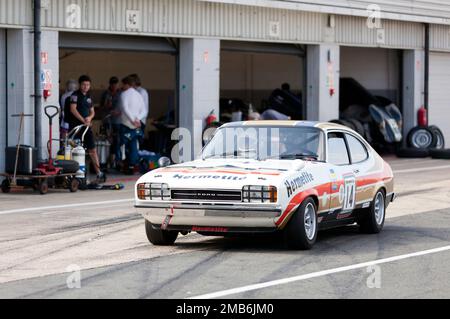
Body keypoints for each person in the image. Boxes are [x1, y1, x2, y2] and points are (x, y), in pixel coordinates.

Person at [67, 75, 106, 182]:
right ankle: (73, 173)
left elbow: (92, 111)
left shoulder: (88, 97)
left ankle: (99, 173)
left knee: (92, 149)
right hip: (76, 127)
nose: (85, 87)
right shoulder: (75, 95)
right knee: (74, 150)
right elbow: (73, 109)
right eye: (84, 84)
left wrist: (89, 118)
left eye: (88, 85)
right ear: (80, 85)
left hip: (86, 128)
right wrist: (83, 120)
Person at [119, 76, 147, 174]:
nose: (121, 86)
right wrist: (137, 119)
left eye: (123, 84)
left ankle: (124, 165)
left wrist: (132, 120)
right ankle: (132, 166)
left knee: (123, 145)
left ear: (127, 84)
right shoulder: (138, 95)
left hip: (126, 124)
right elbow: (144, 110)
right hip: (136, 125)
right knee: (134, 146)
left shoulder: (124, 94)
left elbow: (125, 108)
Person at [100, 76, 121, 168]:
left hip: (117, 121)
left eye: (116, 84)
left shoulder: (120, 93)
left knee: (117, 141)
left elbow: (123, 107)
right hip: (107, 120)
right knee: (107, 141)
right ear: (110, 84)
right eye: (112, 84)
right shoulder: (105, 94)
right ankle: (105, 162)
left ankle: (114, 161)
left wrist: (118, 112)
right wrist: (107, 106)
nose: (114, 86)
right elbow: (101, 107)